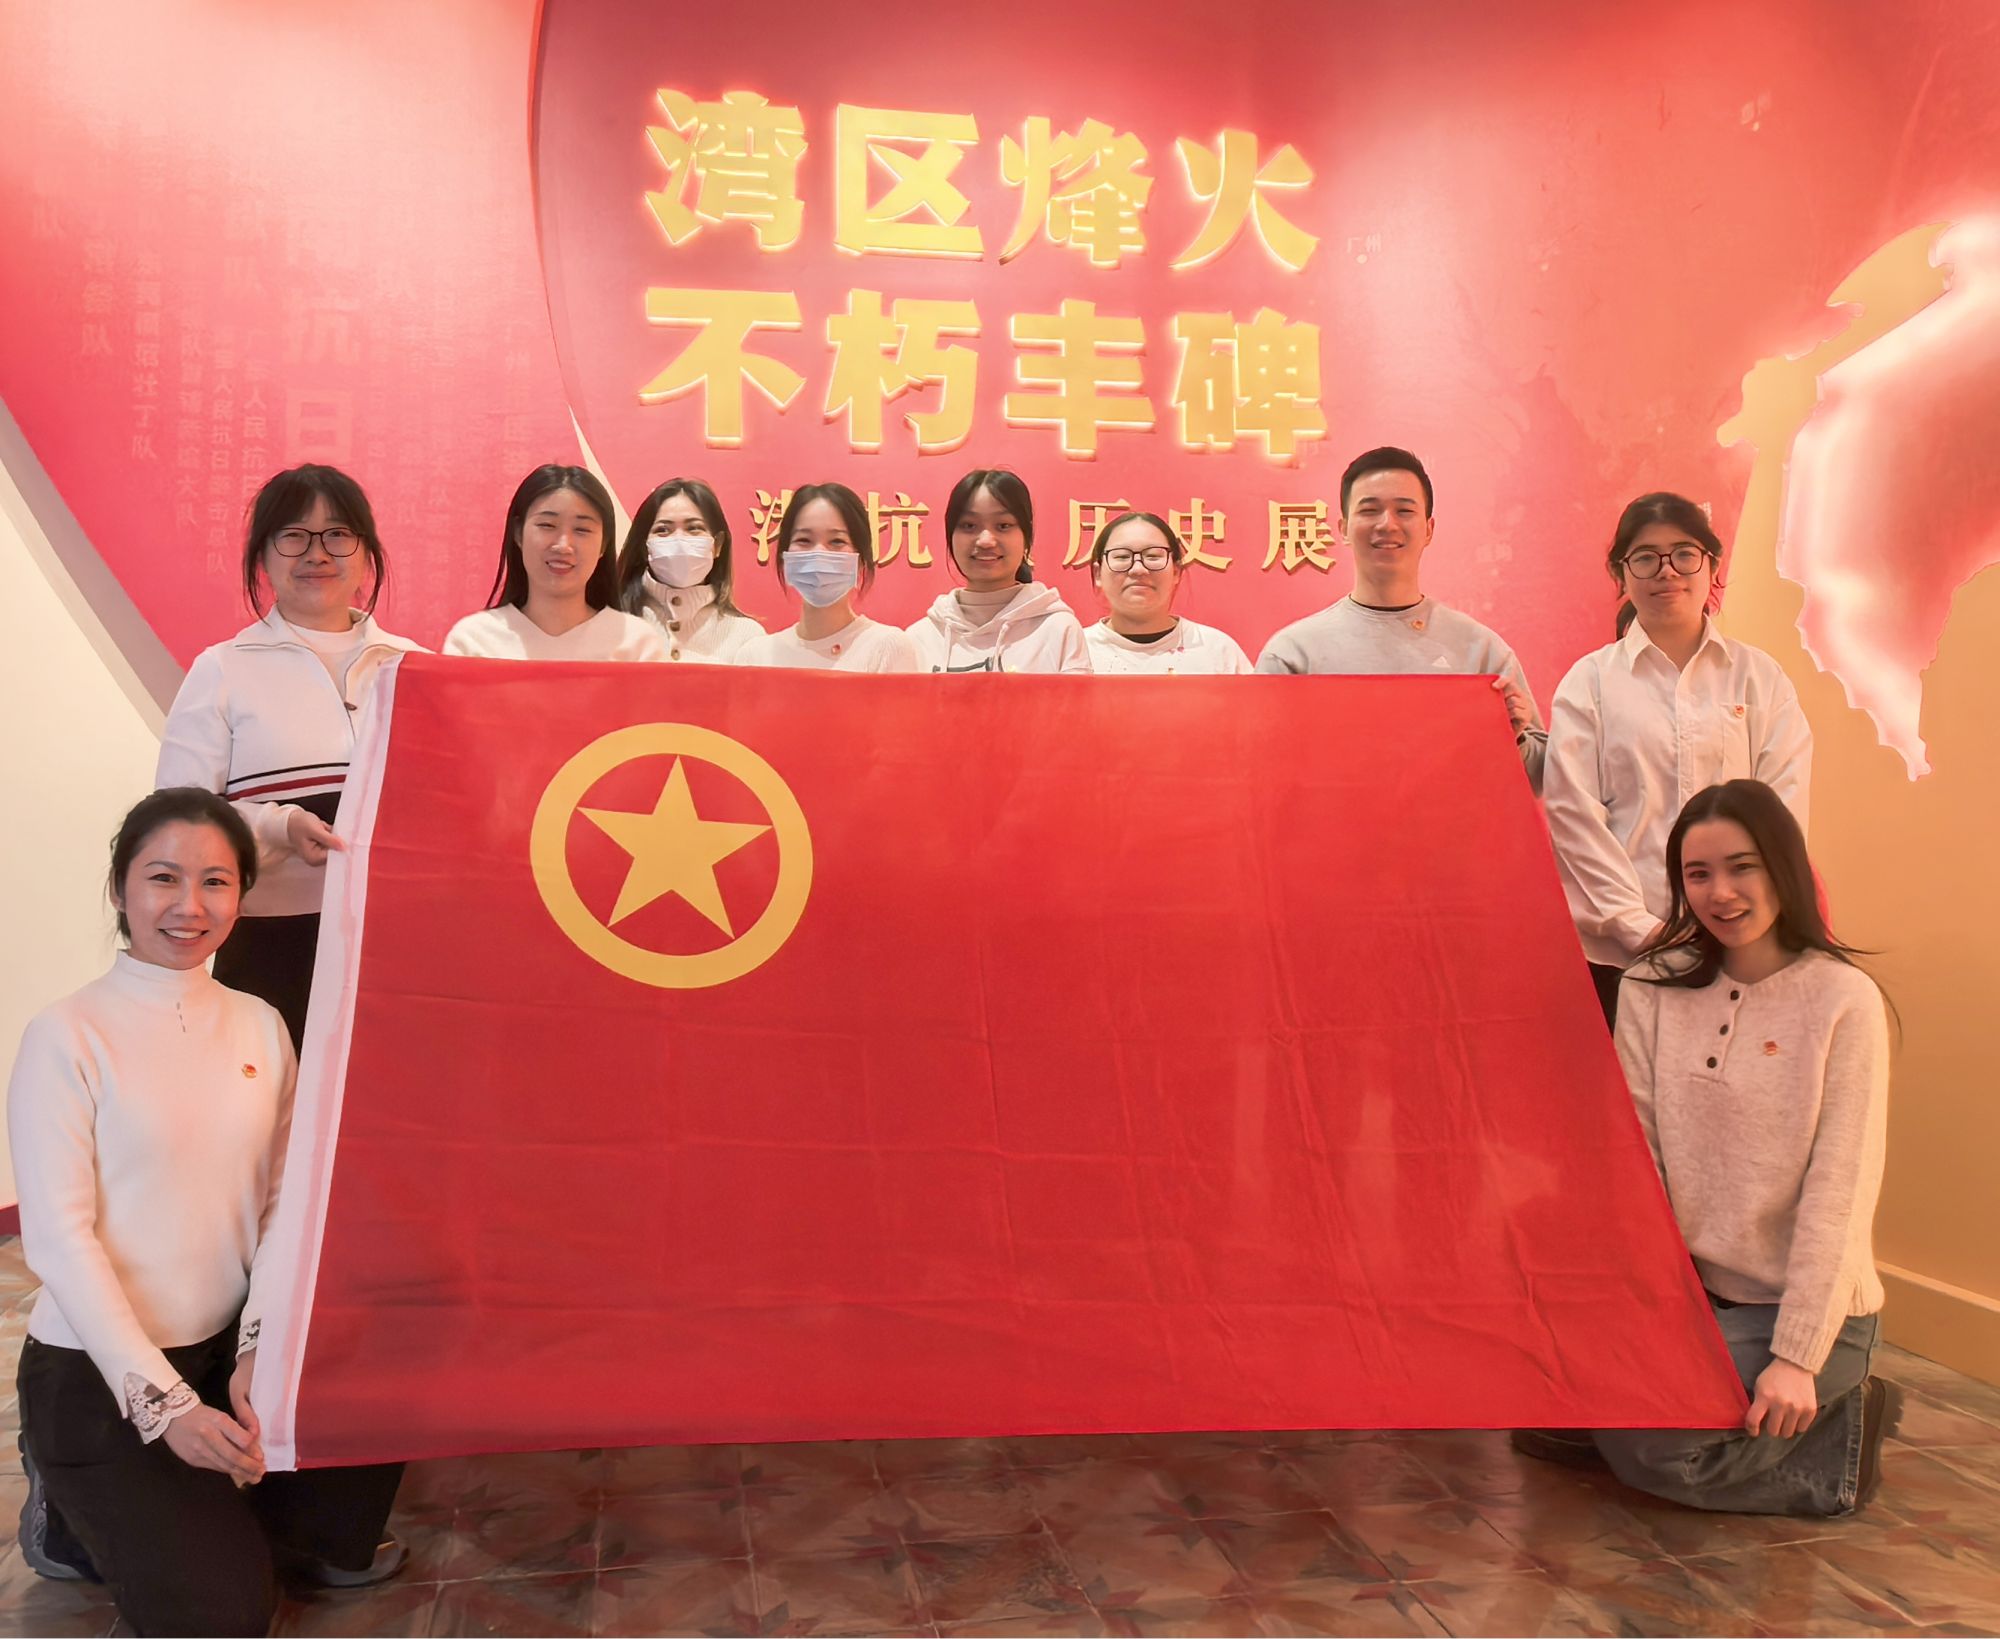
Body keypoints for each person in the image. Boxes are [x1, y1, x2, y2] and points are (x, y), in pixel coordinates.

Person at [9, 789, 405, 1635]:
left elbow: (281, 1201)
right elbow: (58, 1239)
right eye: (163, 878)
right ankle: (68, 1519)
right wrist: (169, 1407)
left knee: (371, 1388)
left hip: (224, 1346)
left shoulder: (261, 1024)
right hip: (100, 1372)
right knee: (224, 1616)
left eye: (216, 881)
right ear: (119, 889)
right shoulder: (66, 1034)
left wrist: (258, 1350)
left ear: (242, 895)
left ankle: (228, 1521)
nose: (189, 905)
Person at [1518, 780, 1899, 1515]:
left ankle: (1842, 1437)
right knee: (1549, 1384)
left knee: (1658, 1445)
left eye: (1742, 866)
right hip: (1692, 1296)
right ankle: (1639, 1414)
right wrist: (1644, 1311)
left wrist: (1796, 1358)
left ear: (1782, 867)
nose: (1720, 892)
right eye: (1698, 873)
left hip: (1799, 1309)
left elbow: (1840, 1193)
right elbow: (1638, 1161)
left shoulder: (1841, 1000)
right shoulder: (1651, 984)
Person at [156, 463, 425, 1047]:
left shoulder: (416, 666)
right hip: (272, 946)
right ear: (263, 556)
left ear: (367, 553)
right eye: (294, 535)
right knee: (274, 1098)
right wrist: (279, 827)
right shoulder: (223, 668)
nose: (317, 553)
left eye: (337, 534)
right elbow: (178, 824)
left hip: (402, 943)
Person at [1545, 493, 1812, 1025]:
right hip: (1621, 957)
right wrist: (1642, 930)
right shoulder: (1589, 683)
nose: (1666, 571)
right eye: (1645, 558)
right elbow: (1573, 817)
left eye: (1684, 554)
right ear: (1621, 573)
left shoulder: (1758, 679)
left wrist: (1745, 915)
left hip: (1743, 946)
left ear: (1711, 565)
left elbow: (1782, 811)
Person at [1255, 447, 1545, 788]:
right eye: (1370, 510)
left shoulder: (1480, 650)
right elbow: (1261, 775)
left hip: (1450, 825)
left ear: (1429, 529)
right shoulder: (1293, 653)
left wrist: (1513, 738)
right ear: (1343, 528)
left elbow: (1538, 778)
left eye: (1404, 510)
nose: (1387, 524)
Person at [443, 465, 668, 661]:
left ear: (603, 545)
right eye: (547, 525)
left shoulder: (636, 644)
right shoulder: (474, 641)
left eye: (582, 529)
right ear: (518, 533)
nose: (563, 545)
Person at [907, 469, 1091, 673]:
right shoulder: (919, 639)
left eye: (1003, 525)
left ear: (1026, 536)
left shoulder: (1058, 629)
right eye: (969, 525)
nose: (986, 540)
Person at [736, 482, 921, 671]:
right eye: (804, 540)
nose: (819, 553)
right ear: (785, 556)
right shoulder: (755, 656)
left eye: (837, 541)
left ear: (860, 559)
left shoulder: (887, 647)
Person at [614, 476, 765, 663]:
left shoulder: (747, 636)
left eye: (694, 528)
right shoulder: (611, 624)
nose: (679, 540)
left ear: (717, 545)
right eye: (663, 530)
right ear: (645, 547)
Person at [1081, 511, 1252, 674]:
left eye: (1153, 556)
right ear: (1098, 573)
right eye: (1122, 557)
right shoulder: (1076, 650)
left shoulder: (1217, 650)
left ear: (1176, 572)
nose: (1138, 569)